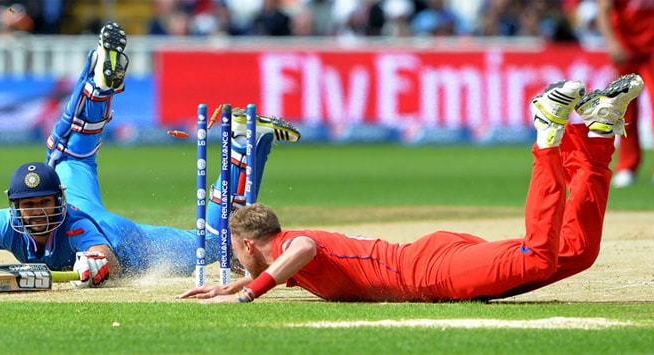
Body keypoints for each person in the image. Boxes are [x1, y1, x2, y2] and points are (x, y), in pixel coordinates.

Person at [0, 21, 301, 288]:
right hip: (83, 203)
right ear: (15, 208)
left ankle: (243, 144)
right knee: (67, 153)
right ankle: (98, 86)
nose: (38, 213)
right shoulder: (4, 224)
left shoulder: (75, 225)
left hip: (134, 244)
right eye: (29, 206)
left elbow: (106, 257)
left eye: (44, 202)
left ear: (58, 200)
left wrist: (95, 267)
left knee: (219, 248)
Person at [177, 74, 644, 303]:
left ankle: (546, 134)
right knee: (576, 253)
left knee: (540, 255)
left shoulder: (287, 245)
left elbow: (303, 246)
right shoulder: (281, 260)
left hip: (428, 273)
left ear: (246, 243)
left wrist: (252, 289)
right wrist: (235, 284)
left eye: (239, 255)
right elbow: (293, 262)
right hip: (433, 261)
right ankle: (599, 132)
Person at [594, 0, 654, 188]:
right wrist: (612, 44)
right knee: (626, 109)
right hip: (626, 51)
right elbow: (603, 11)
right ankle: (627, 166)